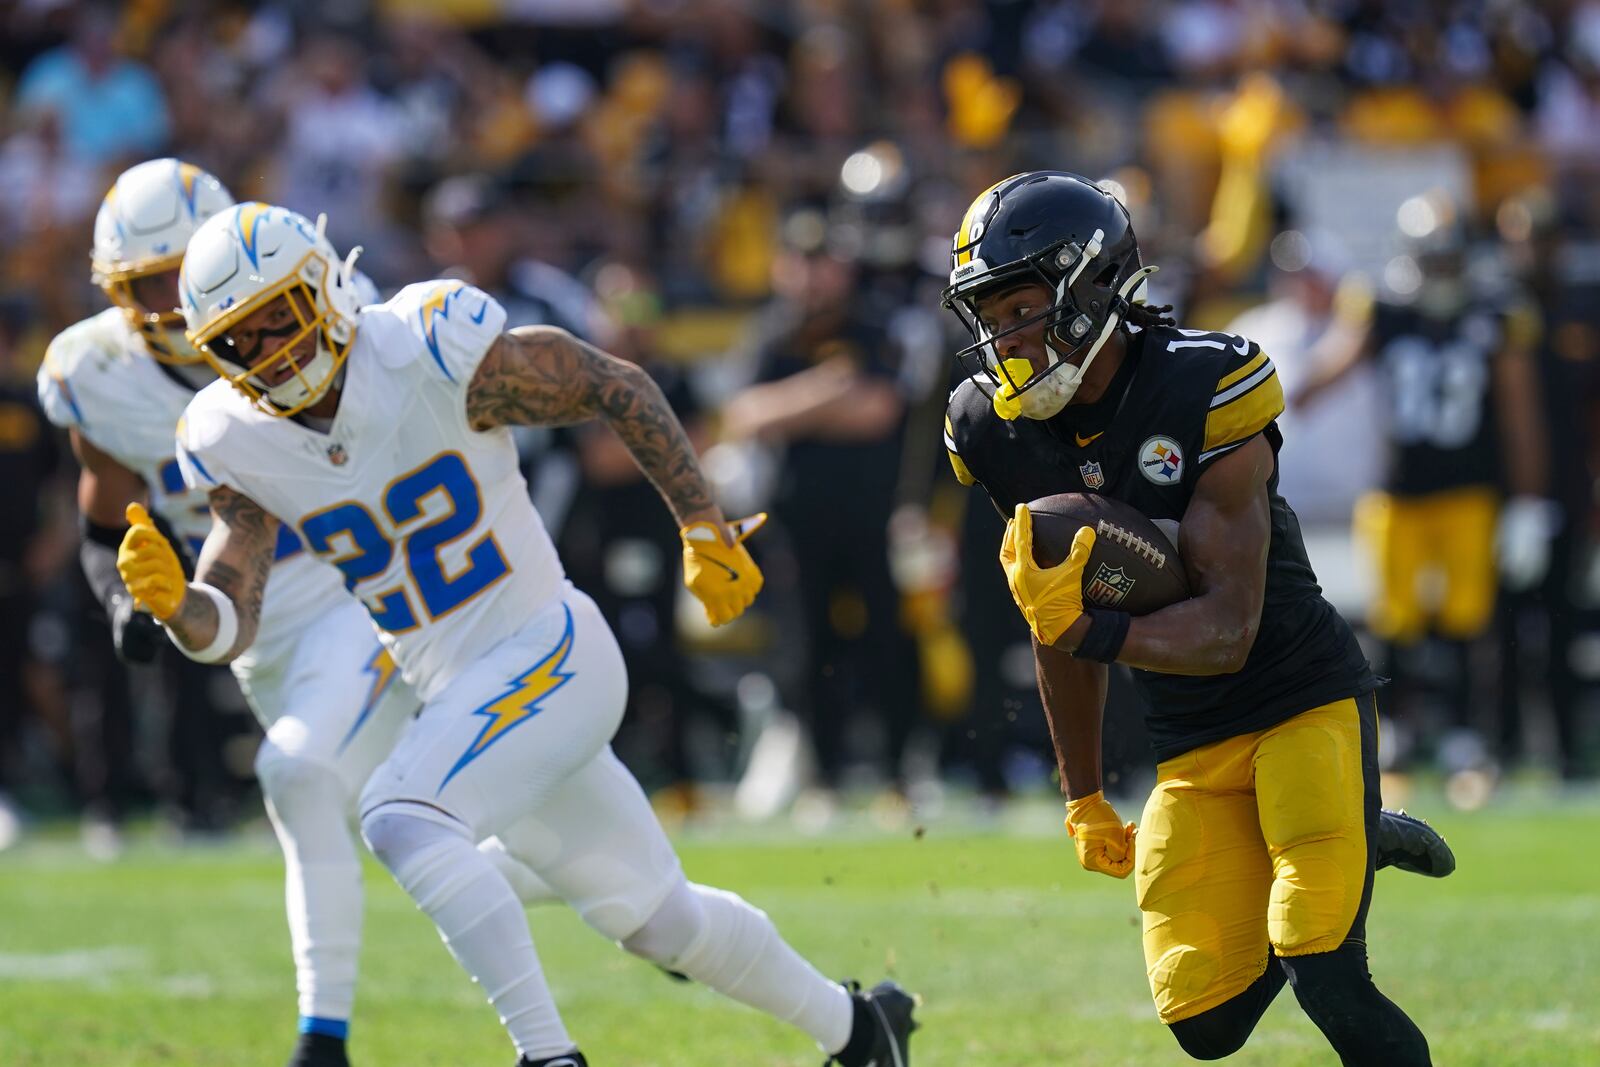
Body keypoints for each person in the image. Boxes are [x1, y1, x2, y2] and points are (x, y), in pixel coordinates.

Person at [117, 201, 917, 1067]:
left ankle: (547, 1056)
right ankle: (861, 1029)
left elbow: (616, 383)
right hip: (468, 694)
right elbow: (229, 622)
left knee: (399, 815)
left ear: (325, 286)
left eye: (281, 315)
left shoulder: (423, 344)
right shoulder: (230, 435)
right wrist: (178, 609)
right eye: (241, 337)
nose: (269, 347)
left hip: (547, 646)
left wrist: (701, 524)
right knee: (656, 918)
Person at [939, 171, 1453, 1064]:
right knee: (1203, 1022)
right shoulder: (993, 426)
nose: (1004, 340)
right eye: (987, 316)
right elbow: (1052, 603)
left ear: (1091, 288)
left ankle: (1347, 831)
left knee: (1322, 964)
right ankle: (1354, 837)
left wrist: (1088, 630)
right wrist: (1085, 794)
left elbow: (1227, 630)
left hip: (1301, 698)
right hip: (1190, 738)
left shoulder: (1206, 382)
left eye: (1021, 307)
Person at [36, 160, 417, 1067]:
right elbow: (103, 517)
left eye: (179, 273)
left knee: (294, 776)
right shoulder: (96, 374)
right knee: (416, 827)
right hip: (246, 629)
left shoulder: (307, 315)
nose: (169, 303)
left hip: (354, 585)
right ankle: (646, 909)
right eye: (143, 285)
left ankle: (321, 1039)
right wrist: (126, 599)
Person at [1292, 191, 1555, 777]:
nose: (1438, 272)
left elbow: (1520, 414)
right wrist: (1281, 396)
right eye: (1430, 259)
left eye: (1447, 258)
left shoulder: (1497, 311)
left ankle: (1466, 738)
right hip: (1398, 491)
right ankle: (1401, 735)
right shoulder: (1381, 305)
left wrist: (1530, 504)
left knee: (1466, 621)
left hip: (1468, 492)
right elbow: (1337, 360)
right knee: (1395, 622)